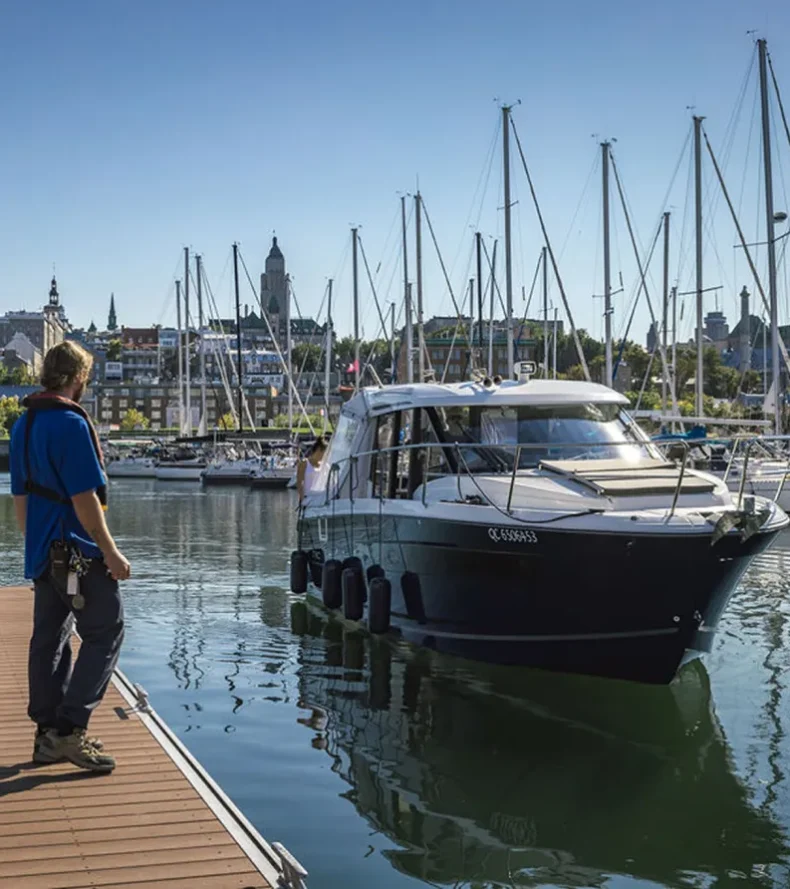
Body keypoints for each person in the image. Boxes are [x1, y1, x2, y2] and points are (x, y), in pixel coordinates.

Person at [10, 341, 131, 773]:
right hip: (76, 549)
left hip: (43, 550)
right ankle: (70, 730)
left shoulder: (24, 424)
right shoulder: (71, 424)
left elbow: (21, 498)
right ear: (79, 378)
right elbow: (85, 499)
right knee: (106, 630)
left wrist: (36, 548)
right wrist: (110, 552)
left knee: (49, 639)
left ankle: (47, 735)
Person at [296, 436, 328, 502]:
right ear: (318, 450)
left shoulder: (325, 466)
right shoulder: (304, 464)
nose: (325, 455)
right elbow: (299, 483)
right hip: (307, 500)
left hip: (321, 500)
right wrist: (303, 500)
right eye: (324, 453)